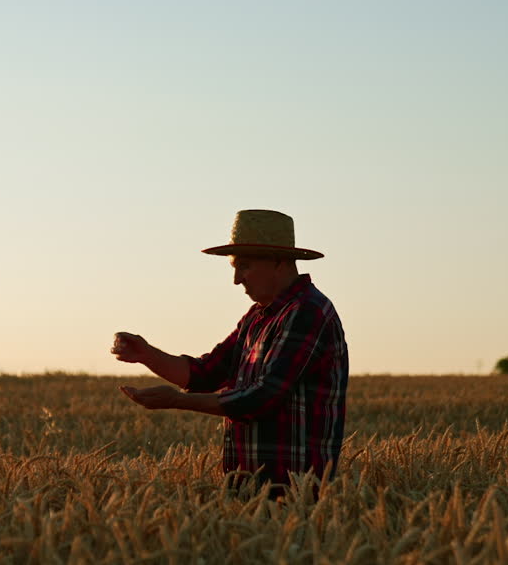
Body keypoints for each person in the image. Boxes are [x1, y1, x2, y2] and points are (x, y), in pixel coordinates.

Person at [112, 209, 349, 498]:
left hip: (294, 495)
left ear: (279, 262)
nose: (237, 280)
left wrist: (176, 400)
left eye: (244, 266)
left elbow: (262, 398)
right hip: (248, 492)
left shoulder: (308, 312)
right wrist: (147, 354)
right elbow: (205, 373)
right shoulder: (258, 317)